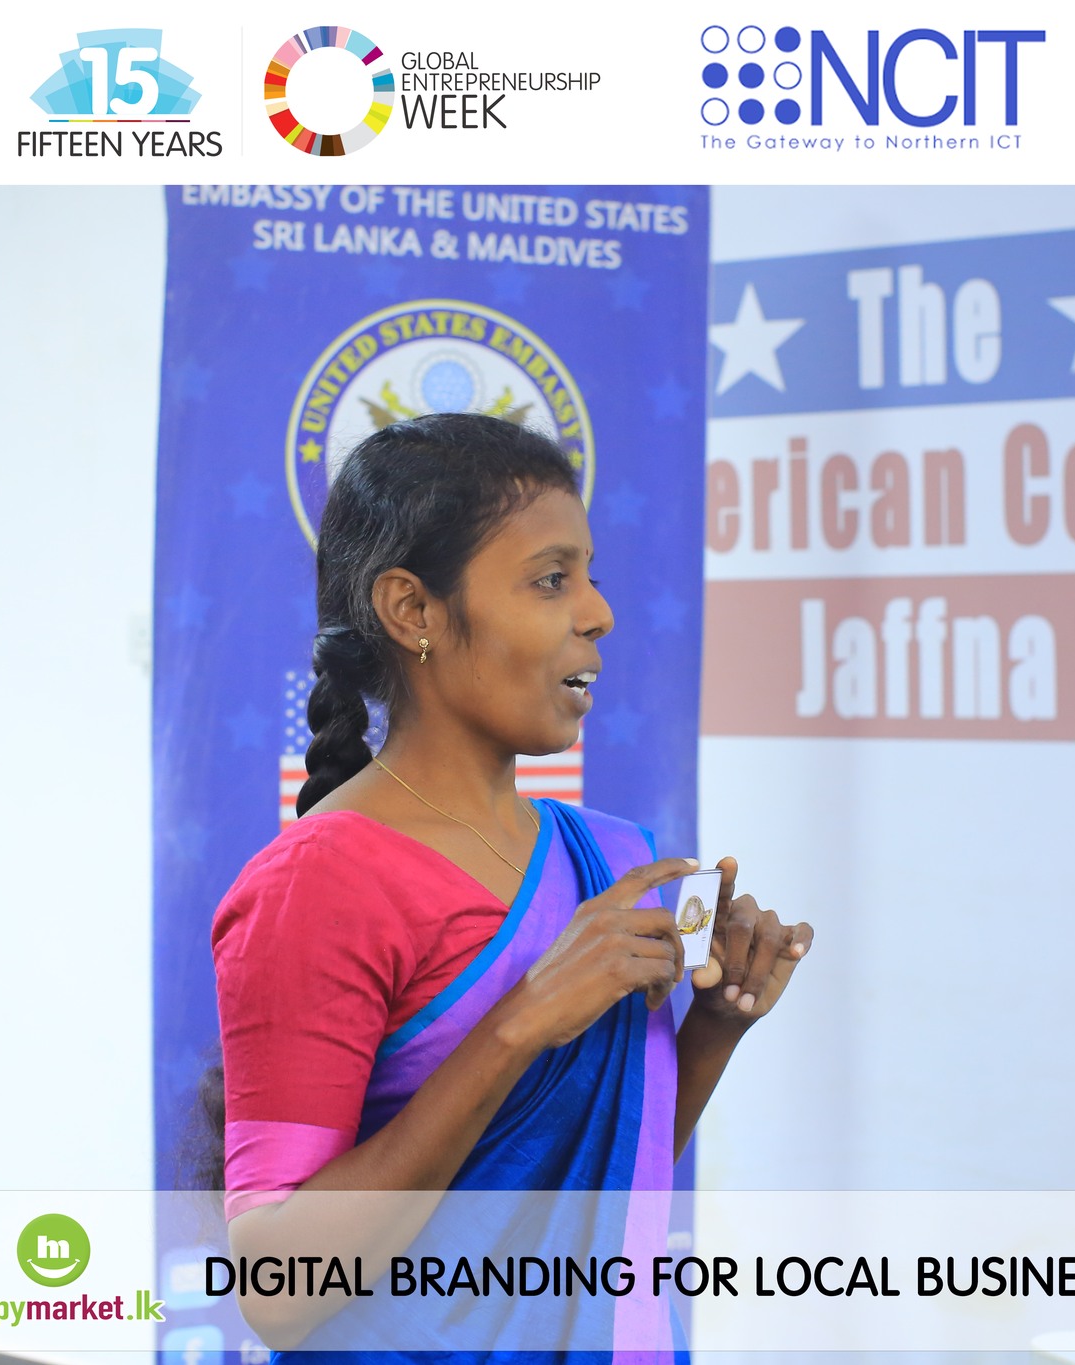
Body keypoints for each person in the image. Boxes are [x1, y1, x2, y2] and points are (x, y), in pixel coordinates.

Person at [207, 412, 812, 1352]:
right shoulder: (317, 883)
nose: (598, 612)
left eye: (590, 574)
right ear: (413, 610)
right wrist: (521, 1022)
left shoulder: (610, 856)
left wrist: (716, 1026)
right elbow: (278, 1291)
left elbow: (590, 1186)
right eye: (550, 579)